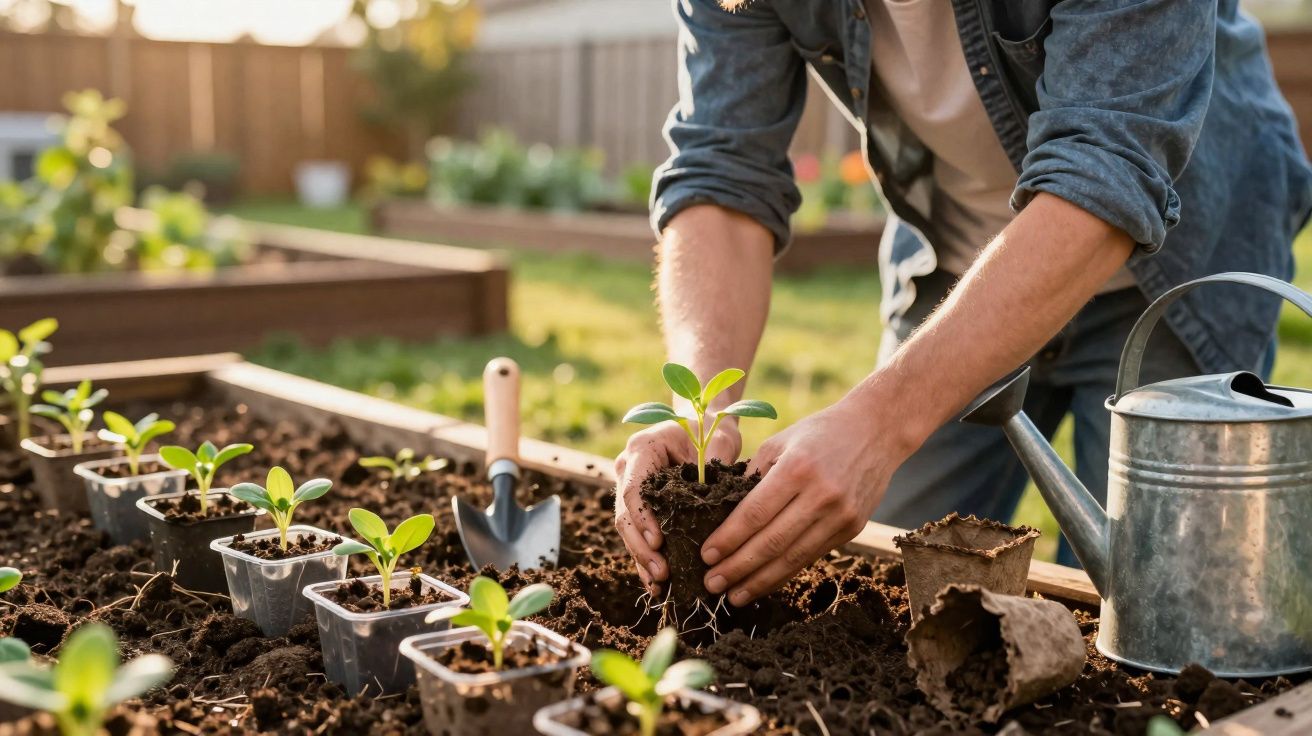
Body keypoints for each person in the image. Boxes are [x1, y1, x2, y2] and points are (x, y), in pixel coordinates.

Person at [614, 0, 1312, 606]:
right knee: (885, 577)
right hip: (958, 270)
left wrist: (882, 421)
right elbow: (723, 171)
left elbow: (1108, 172)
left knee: (1155, 614)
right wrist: (701, 412)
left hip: (1175, 262)